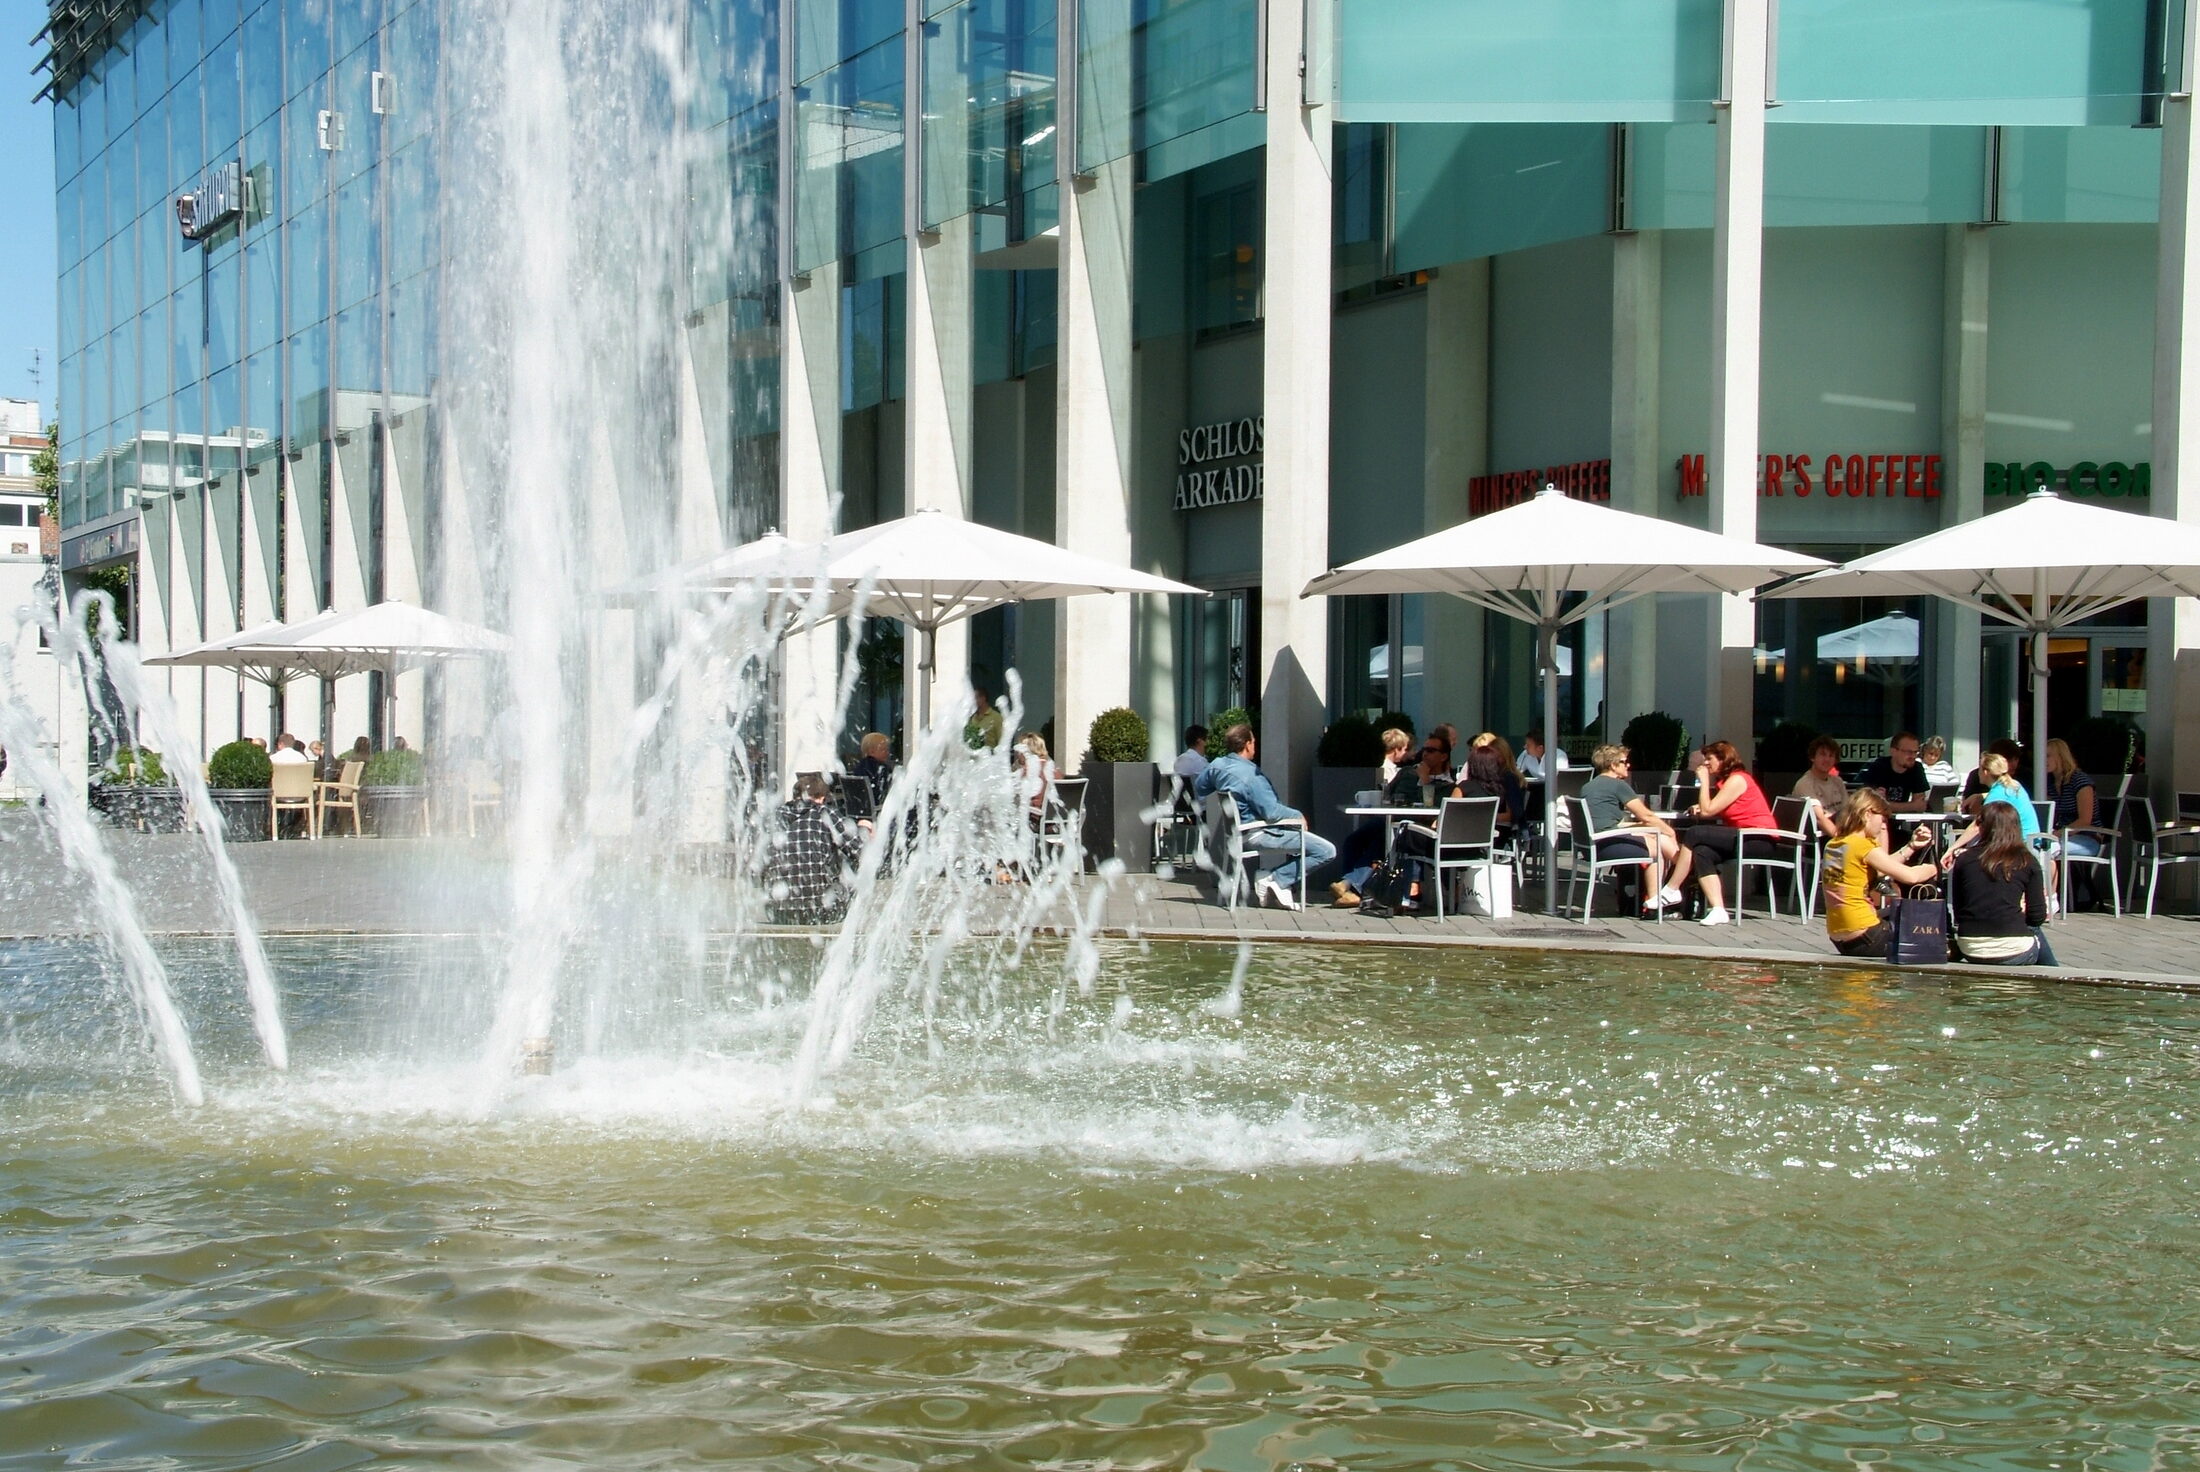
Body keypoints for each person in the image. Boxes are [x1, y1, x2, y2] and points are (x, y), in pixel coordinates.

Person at [1195, 724, 1337, 910]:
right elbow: (1271, 812)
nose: (1255, 745)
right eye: (1253, 742)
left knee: (1305, 844)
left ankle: (1274, 879)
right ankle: (1276, 879)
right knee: (1327, 851)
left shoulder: (1217, 765)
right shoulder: (1252, 776)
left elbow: (1200, 787)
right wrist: (1298, 816)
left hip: (1236, 834)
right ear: (1247, 744)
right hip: (1258, 834)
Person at [1819, 790, 1939, 957]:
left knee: (1894, 912)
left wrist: (1911, 847)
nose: (1883, 826)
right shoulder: (1862, 845)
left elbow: (1882, 869)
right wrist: (1934, 868)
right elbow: (1911, 876)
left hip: (1842, 939)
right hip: (1867, 936)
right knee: (1924, 926)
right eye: (1882, 819)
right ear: (1868, 813)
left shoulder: (1834, 844)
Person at [1579, 743, 1693, 915]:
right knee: (1656, 846)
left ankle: (1676, 880)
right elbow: (1646, 815)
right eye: (1624, 762)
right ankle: (1664, 894)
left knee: (1656, 836)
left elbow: (1606, 822)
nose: (1628, 765)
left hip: (1592, 845)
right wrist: (1670, 831)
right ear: (1613, 765)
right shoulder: (1617, 785)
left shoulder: (1588, 786)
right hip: (1606, 845)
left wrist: (1644, 828)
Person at [1680, 739, 1782, 926]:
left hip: (1759, 838)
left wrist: (1703, 782)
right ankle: (1718, 909)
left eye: (1710, 759)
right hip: (1743, 835)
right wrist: (1700, 805)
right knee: (1702, 850)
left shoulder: (1738, 779)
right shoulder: (1726, 782)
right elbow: (1712, 807)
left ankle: (1671, 889)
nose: (1706, 764)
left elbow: (1708, 811)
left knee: (1694, 833)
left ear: (1723, 759)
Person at [1945, 800, 2059, 966]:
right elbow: (2037, 917)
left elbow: (1959, 910)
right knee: (2034, 932)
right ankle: (2055, 976)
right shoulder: (2027, 861)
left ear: (1982, 827)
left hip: (1970, 947)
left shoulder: (1964, 859)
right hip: (2013, 950)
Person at [766, 773, 869, 924]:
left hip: (780, 911)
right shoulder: (825, 813)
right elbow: (859, 851)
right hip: (821, 909)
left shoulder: (776, 817)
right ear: (821, 798)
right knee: (850, 862)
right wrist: (863, 830)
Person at [1855, 731, 1930, 815]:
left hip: (1903, 822)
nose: (1912, 756)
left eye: (1915, 752)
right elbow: (1872, 805)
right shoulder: (1878, 767)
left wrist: (1889, 805)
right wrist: (1911, 806)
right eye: (1908, 752)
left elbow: (1920, 806)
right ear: (1893, 751)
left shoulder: (1917, 768)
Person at [1791, 735, 1847, 839]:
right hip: (1821, 836)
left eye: (1831, 756)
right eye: (1823, 755)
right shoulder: (1805, 783)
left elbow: (1847, 811)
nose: (1827, 759)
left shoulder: (1838, 781)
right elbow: (1819, 819)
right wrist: (1843, 841)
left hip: (1842, 827)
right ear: (1813, 757)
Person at [853, 731, 895, 799]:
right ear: (872, 752)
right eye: (883, 750)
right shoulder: (881, 769)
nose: (887, 753)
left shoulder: (860, 766)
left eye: (887, 750)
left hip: (862, 806)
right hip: (878, 806)